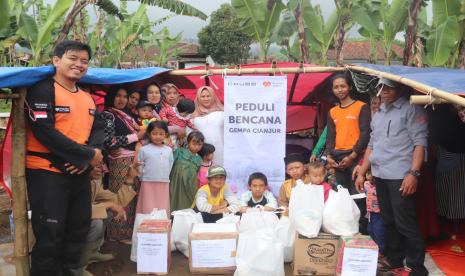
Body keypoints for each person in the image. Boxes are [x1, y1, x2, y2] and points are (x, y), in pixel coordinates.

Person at [25, 40, 104, 275]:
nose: (79, 64)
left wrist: (91, 156)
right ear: (56, 60)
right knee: (51, 233)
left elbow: (98, 128)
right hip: (47, 172)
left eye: (84, 61)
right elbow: (44, 131)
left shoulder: (86, 96)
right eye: (73, 58)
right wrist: (87, 156)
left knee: (78, 228)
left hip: (79, 172)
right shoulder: (43, 90)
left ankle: (70, 271)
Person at [355, 78, 429, 275]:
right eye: (382, 88)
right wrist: (362, 171)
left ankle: (417, 268)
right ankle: (395, 260)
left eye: (389, 87)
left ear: (400, 88)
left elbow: (420, 143)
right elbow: (372, 144)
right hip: (380, 174)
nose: (384, 92)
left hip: (400, 175)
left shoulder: (411, 109)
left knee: (405, 222)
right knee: (389, 220)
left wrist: (413, 174)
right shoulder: (380, 113)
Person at [102, 86, 143, 243]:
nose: (122, 99)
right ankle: (115, 234)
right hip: (119, 161)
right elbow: (109, 141)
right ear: (111, 97)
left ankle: (125, 233)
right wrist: (135, 137)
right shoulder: (108, 115)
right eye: (118, 96)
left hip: (132, 159)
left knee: (130, 195)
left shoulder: (125, 115)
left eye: (125, 96)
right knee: (119, 195)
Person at [79, 164, 135, 275]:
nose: (103, 169)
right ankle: (76, 268)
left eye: (102, 165)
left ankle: (91, 253)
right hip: (63, 229)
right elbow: (77, 210)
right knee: (96, 222)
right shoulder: (73, 181)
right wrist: (108, 205)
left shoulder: (93, 183)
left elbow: (117, 201)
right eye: (97, 166)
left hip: (77, 223)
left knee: (108, 213)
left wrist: (130, 178)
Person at [325, 73, 371, 193]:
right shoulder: (332, 111)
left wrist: (352, 156)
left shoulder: (362, 107)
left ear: (350, 87)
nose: (340, 90)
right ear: (332, 89)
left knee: (358, 194)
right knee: (343, 194)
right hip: (338, 158)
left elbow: (365, 134)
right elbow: (330, 136)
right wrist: (329, 156)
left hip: (356, 155)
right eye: (336, 87)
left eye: (343, 86)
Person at [136, 121, 174, 217]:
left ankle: (162, 230)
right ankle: (145, 230)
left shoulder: (168, 150)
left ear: (166, 135)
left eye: (161, 134)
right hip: (147, 182)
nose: (158, 136)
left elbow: (170, 164)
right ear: (149, 134)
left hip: (164, 182)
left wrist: (164, 176)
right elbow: (140, 165)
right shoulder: (144, 149)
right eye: (154, 133)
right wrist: (142, 177)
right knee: (147, 207)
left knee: (162, 207)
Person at [170, 131, 204, 212]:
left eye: (199, 145)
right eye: (194, 144)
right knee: (173, 200)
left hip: (190, 185)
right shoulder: (179, 151)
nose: (196, 147)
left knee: (187, 204)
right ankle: (172, 220)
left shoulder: (199, 159)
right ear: (188, 142)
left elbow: (198, 173)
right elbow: (170, 164)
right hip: (176, 183)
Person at [192, 86, 224, 166]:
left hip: (220, 150)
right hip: (200, 151)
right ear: (198, 98)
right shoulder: (192, 115)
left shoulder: (222, 113)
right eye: (202, 96)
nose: (206, 98)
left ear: (213, 96)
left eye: (208, 96)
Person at [364, 169, 385, 256]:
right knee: (370, 230)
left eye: (371, 174)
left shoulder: (381, 186)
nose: (370, 176)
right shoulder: (366, 184)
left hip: (379, 212)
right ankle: (374, 248)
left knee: (379, 231)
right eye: (368, 173)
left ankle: (381, 250)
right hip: (370, 212)